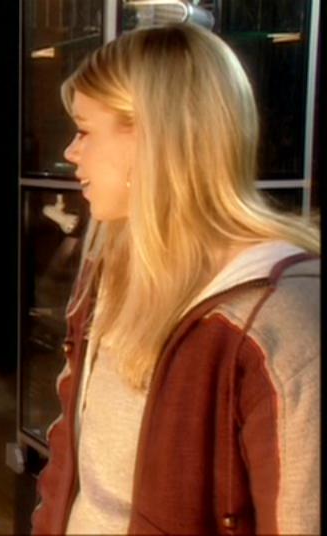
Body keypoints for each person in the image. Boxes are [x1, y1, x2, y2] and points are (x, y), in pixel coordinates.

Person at [31, 23, 320, 535]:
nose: (71, 152)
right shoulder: (111, 272)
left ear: (153, 137)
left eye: (85, 130)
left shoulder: (279, 319)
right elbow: (72, 463)